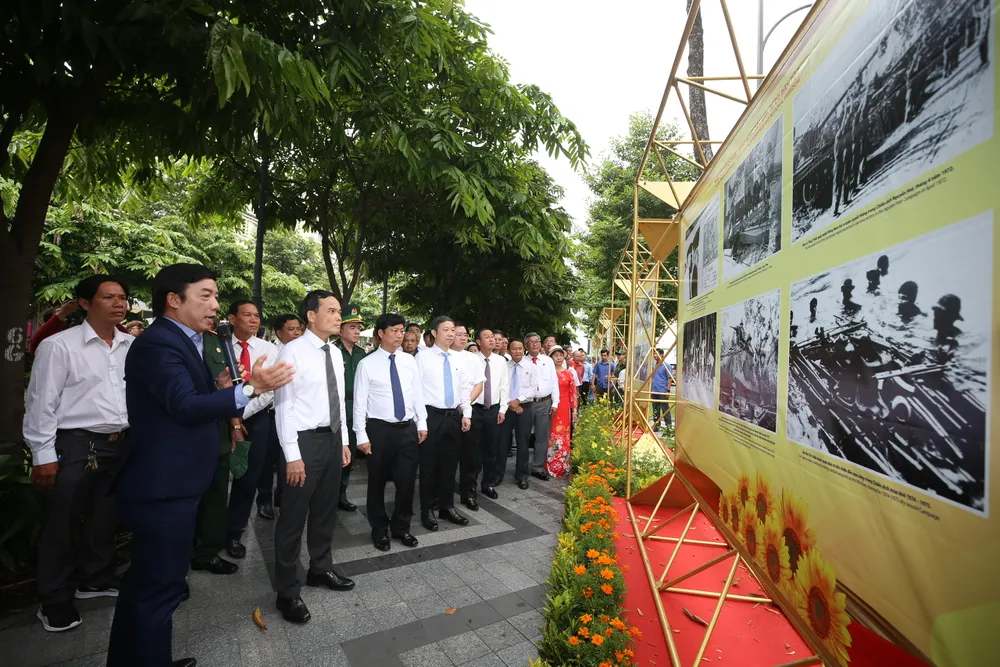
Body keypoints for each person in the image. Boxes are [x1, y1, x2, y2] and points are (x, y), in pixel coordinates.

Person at [107, 264, 293, 667]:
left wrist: (221, 388)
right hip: (163, 485)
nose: (214, 305)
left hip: (175, 481)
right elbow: (184, 407)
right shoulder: (160, 343)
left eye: (215, 295)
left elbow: (184, 398)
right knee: (157, 586)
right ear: (174, 299)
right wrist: (251, 388)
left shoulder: (182, 340)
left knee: (156, 583)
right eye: (205, 295)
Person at [24, 275, 132, 633]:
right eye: (109, 297)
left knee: (105, 515)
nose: (119, 303)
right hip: (74, 444)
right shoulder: (59, 346)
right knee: (63, 522)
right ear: (85, 303)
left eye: (122, 297)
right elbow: (41, 402)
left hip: (120, 442)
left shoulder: (131, 345)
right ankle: (53, 599)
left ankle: (95, 579)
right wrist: (42, 454)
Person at [272, 290, 355, 625]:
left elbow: (339, 400)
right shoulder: (291, 352)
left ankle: (320, 568)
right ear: (311, 314)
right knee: (293, 518)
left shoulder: (334, 353)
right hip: (302, 443)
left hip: (332, 439)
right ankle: (287, 593)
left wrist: (345, 441)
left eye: (339, 311)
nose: (339, 317)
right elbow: (283, 406)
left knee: (325, 510)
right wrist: (292, 456)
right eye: (332, 311)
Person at [353, 314, 426, 551]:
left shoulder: (409, 361)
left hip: (407, 429)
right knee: (377, 482)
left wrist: (422, 422)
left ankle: (401, 527)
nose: (399, 334)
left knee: (406, 482)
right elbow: (359, 403)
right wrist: (361, 435)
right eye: (394, 330)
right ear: (380, 334)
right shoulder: (367, 364)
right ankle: (379, 528)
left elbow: (416, 394)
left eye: (401, 330)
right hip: (379, 430)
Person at [189, 328, 246, 577]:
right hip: (185, 434)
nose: (213, 306)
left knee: (216, 496)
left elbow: (230, 386)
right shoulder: (169, 341)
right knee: (185, 502)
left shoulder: (217, 341)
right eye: (205, 296)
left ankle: (207, 553)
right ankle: (177, 563)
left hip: (218, 430)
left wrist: (234, 424)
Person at [224, 300, 278, 560]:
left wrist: (239, 415)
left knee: (248, 478)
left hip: (255, 419)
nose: (254, 320)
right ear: (232, 318)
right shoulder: (218, 346)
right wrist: (229, 417)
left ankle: (235, 530)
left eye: (257, 315)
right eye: (247, 315)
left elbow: (269, 390)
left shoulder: (269, 350)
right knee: (215, 477)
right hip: (218, 417)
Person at [416, 316, 474, 531]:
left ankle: (447, 506)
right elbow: (416, 392)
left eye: (453, 330)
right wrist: (420, 422)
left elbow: (465, 389)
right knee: (429, 465)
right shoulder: (422, 358)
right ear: (434, 333)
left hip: (453, 417)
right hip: (431, 415)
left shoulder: (459, 359)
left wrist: (466, 413)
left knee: (450, 465)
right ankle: (427, 509)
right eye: (446, 330)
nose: (451, 334)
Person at [257, 313, 304, 519]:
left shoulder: (304, 352)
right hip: (270, 415)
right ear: (278, 332)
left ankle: (284, 496)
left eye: (298, 329)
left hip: (296, 417)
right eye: (291, 329)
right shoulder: (271, 354)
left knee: (290, 458)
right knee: (268, 461)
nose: (296, 333)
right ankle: (264, 499)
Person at [463, 327, 509, 505]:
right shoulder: (472, 360)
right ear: (478, 341)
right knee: (474, 450)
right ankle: (470, 486)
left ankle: (488, 483)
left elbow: (504, 386)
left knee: (491, 448)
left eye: (493, 337)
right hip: (475, 408)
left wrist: (502, 409)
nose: (492, 340)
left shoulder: (500, 361)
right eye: (487, 337)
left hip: (494, 409)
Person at [450, 322, 486, 511]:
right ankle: (442, 496)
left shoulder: (472, 358)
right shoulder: (443, 356)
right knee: (447, 457)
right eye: (459, 334)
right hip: (447, 414)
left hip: (469, 412)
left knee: (470, 457)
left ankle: (468, 493)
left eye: (466, 334)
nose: (463, 338)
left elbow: (479, 385)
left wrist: (464, 406)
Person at [336, 303, 368, 512]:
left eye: (358, 328)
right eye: (352, 327)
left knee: (350, 455)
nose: (357, 331)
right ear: (340, 330)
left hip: (355, 408)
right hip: (337, 407)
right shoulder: (332, 351)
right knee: (334, 452)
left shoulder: (362, 354)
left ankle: (341, 493)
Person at [496, 339, 537, 489]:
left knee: (523, 443)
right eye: (514, 349)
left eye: (520, 348)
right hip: (506, 408)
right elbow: (500, 388)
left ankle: (522, 476)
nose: (517, 351)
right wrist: (511, 405)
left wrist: (518, 401)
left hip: (524, 408)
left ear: (524, 349)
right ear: (509, 350)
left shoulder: (531, 367)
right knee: (502, 443)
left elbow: (533, 389)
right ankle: (498, 474)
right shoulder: (503, 366)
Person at [524, 333, 558, 481]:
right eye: (531, 342)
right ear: (526, 345)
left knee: (542, 437)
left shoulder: (548, 361)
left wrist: (555, 402)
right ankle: (522, 468)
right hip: (526, 404)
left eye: (537, 341)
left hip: (545, 403)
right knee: (523, 437)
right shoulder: (522, 361)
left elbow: (554, 382)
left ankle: (538, 467)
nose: (534, 344)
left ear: (541, 344)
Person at [545, 346, 578, 478]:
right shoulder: (547, 373)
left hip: (564, 407)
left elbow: (573, 394)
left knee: (563, 435)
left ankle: (563, 465)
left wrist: (574, 411)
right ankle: (548, 464)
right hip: (550, 406)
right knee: (548, 434)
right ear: (551, 357)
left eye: (560, 355)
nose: (558, 357)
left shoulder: (569, 373)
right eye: (555, 355)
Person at [651, 349, 672, 429]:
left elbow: (669, 378)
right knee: (655, 409)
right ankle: (656, 425)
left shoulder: (666, 365)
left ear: (662, 354)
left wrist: (668, 390)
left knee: (665, 409)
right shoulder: (654, 365)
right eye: (654, 354)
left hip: (662, 391)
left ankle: (668, 427)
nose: (654, 355)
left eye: (656, 354)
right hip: (654, 390)